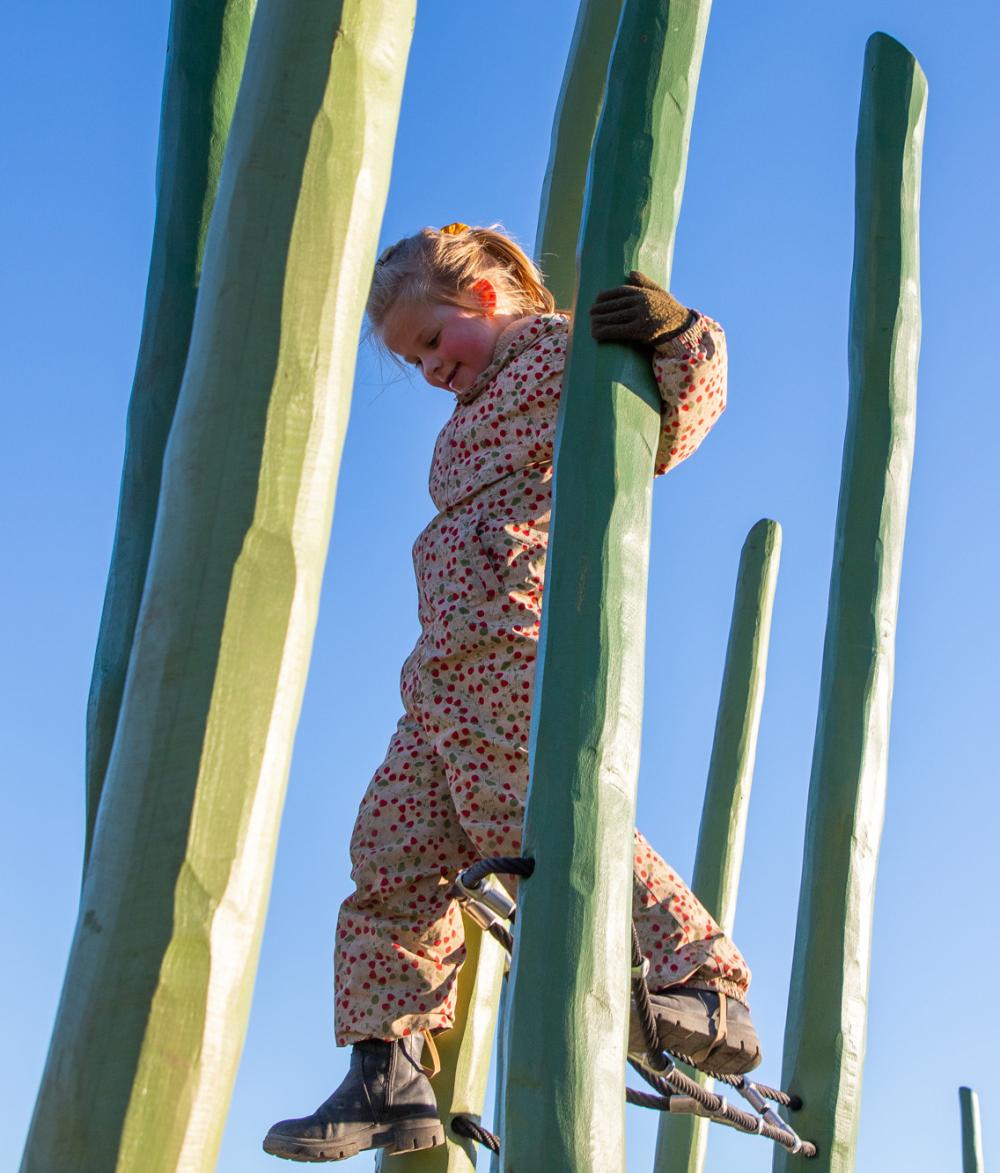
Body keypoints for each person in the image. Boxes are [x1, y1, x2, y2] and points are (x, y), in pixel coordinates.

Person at [264, 224, 759, 1163]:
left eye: (431, 342)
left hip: (517, 647)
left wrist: (678, 334)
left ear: (485, 298)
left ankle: (705, 979)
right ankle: (391, 1063)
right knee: (390, 838)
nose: (425, 370)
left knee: (538, 819)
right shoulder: (464, 421)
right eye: (411, 359)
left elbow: (671, 420)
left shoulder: (564, 355)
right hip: (442, 672)